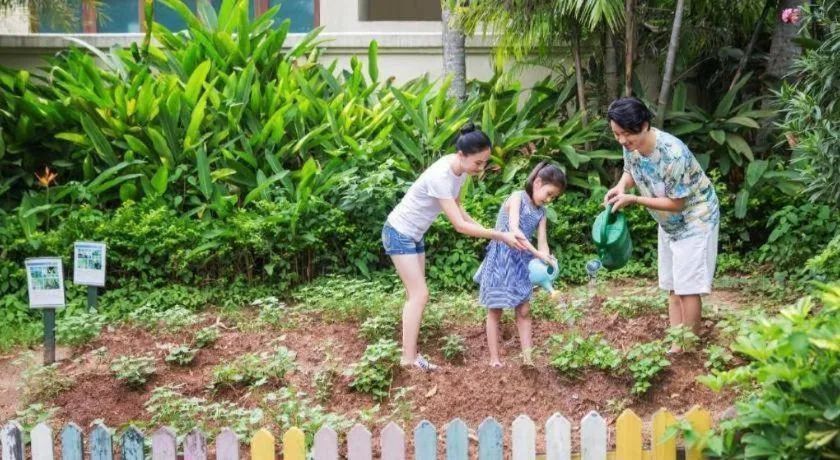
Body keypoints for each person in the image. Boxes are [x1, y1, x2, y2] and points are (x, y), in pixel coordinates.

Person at [383, 123, 527, 371]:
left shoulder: (459, 172)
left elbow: (460, 209)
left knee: (415, 296)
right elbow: (458, 225)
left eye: (484, 163)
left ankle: (410, 355)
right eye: (478, 163)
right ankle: (407, 360)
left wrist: (493, 234)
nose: (480, 169)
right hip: (399, 233)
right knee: (420, 294)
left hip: (415, 235)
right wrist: (499, 235)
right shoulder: (441, 176)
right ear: (462, 155)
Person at [604, 97, 720, 353]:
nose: (622, 140)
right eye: (617, 134)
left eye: (626, 134)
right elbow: (631, 171)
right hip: (668, 223)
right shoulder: (630, 145)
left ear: (644, 125)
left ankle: (688, 347)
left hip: (695, 218)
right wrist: (621, 186)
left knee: (688, 286)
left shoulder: (672, 153)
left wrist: (633, 198)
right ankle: (675, 343)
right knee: (672, 284)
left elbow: (677, 203)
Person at [474, 162, 566, 367]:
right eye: (549, 193)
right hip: (501, 258)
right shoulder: (517, 198)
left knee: (524, 310)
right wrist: (535, 253)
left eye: (553, 198)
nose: (549, 200)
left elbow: (542, 242)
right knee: (495, 308)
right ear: (538, 182)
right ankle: (494, 360)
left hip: (521, 262)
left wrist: (548, 259)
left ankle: (528, 359)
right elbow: (515, 229)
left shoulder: (541, 213)